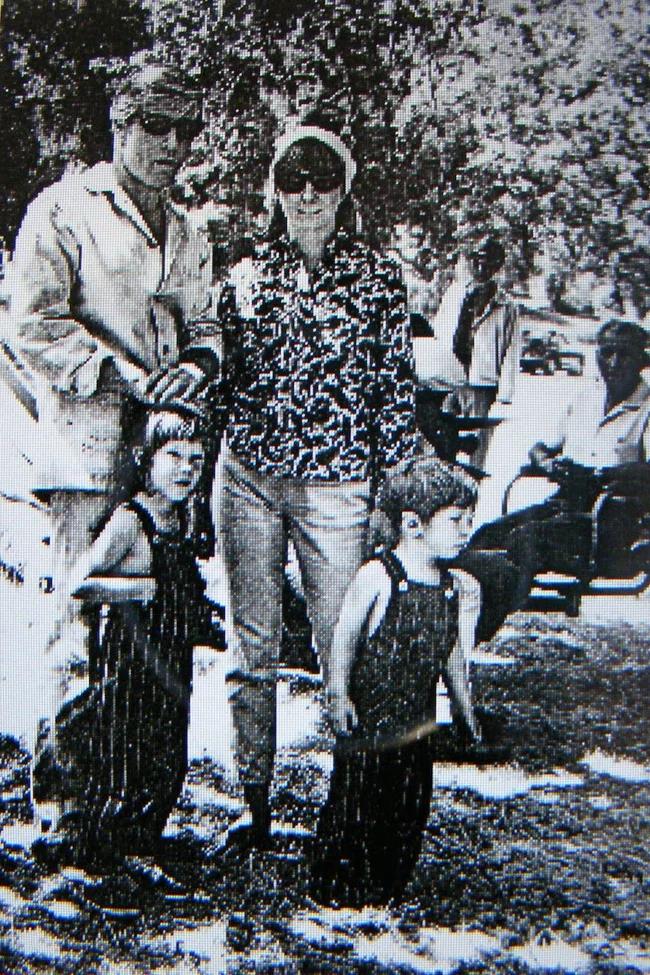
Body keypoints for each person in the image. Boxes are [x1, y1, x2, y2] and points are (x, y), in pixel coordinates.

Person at [3, 51, 219, 825]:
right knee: (83, 629)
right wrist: (119, 373)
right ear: (118, 123)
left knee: (151, 640)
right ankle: (66, 814)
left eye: (184, 130)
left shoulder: (188, 230)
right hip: (91, 452)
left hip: (164, 463)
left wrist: (195, 364)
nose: (171, 145)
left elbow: (206, 324)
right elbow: (32, 323)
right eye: (156, 126)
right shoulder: (63, 209)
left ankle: (133, 814)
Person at [216, 121, 422, 849]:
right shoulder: (243, 275)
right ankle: (254, 803)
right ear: (274, 189)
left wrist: (393, 498)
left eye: (323, 178)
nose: (307, 194)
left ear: (344, 190)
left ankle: (348, 805)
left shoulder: (378, 276)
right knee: (252, 646)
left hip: (340, 488)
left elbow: (395, 390)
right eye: (293, 179)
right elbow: (223, 381)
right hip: (249, 478)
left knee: (345, 642)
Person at [35, 407, 214, 912]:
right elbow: (81, 584)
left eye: (195, 460)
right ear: (145, 460)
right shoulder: (130, 520)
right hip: (128, 662)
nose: (185, 469)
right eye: (173, 457)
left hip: (170, 660)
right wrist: (140, 588)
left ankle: (140, 844)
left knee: (167, 754)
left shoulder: (181, 518)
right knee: (123, 756)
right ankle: (97, 861)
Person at [309, 457, 482, 907]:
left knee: (408, 804)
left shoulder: (450, 586)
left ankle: (386, 884)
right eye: (456, 520)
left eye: (469, 520)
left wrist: (463, 707)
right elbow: (345, 637)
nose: (466, 530)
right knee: (357, 801)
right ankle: (337, 883)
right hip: (370, 718)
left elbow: (450, 651)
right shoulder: (379, 576)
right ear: (413, 524)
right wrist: (337, 693)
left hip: (416, 722)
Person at [471, 319, 650, 592]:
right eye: (607, 353)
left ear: (641, 360)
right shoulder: (586, 399)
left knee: (525, 541)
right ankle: (473, 609)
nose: (614, 363)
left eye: (624, 354)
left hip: (612, 519)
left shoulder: (646, 408)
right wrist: (548, 463)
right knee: (487, 536)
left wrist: (600, 476)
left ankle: (496, 604)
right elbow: (539, 448)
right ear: (597, 356)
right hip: (565, 504)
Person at [427, 238, 519, 469]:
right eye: (477, 260)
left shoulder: (506, 305)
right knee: (441, 435)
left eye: (488, 263)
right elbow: (438, 333)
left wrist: (505, 393)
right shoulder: (454, 294)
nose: (481, 267)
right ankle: (444, 479)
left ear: (497, 266)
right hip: (449, 378)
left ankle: (473, 485)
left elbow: (511, 349)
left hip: (481, 382)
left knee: (477, 441)